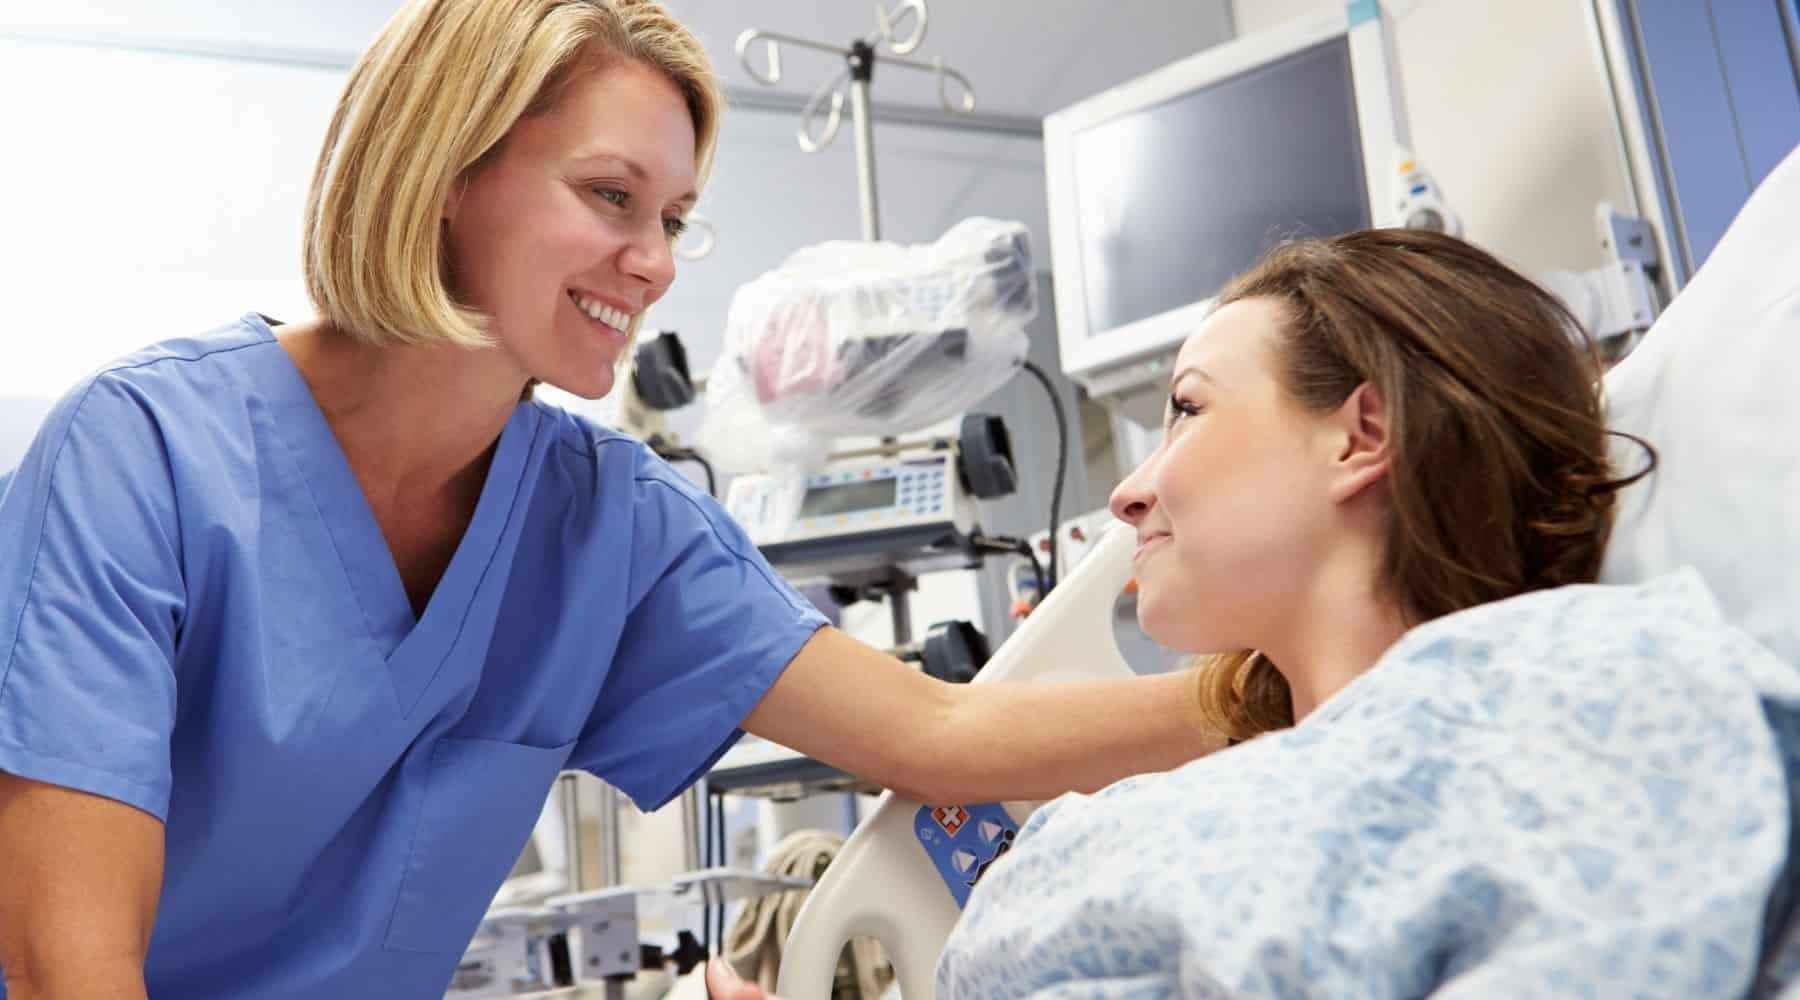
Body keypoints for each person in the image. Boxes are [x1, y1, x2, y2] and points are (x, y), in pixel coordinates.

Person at [0, 3, 1219, 998]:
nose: (658, 261)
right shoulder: (141, 457)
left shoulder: (608, 527)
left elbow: (936, 738)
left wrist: (1293, 683)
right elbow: (73, 967)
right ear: (447, 174)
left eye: (677, 218)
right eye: (612, 197)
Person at [707, 229, 1799, 999]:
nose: (1128, 493)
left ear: (1362, 435)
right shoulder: (1131, 824)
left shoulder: (1592, 697)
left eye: (1185, 409)